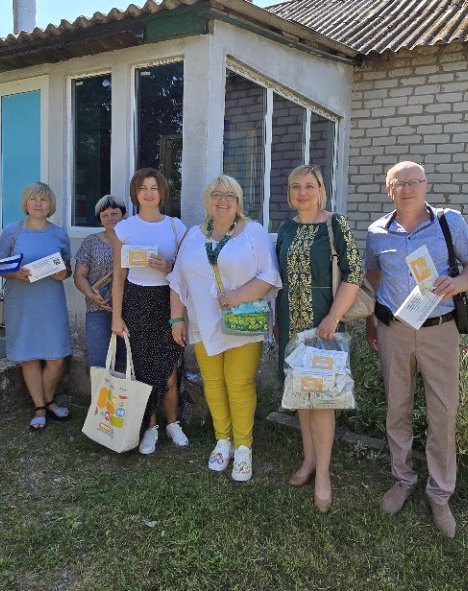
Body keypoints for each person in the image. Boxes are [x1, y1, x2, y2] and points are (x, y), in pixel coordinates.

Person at [365, 160, 468, 537]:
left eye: (413, 182)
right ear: (388, 189)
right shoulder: (377, 232)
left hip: (439, 331)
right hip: (394, 331)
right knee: (397, 408)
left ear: (425, 185)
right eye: (399, 183)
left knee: (442, 412)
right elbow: (373, 275)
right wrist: (371, 321)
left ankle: (439, 494)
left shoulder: (448, 221)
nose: (406, 189)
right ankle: (403, 479)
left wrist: (458, 284)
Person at [169, 175, 282, 482]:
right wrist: (176, 319)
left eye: (229, 195)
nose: (222, 200)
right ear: (207, 200)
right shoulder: (193, 235)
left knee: (239, 383)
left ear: (238, 201)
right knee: (213, 382)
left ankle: (243, 447)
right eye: (216, 194)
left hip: (242, 323)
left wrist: (235, 296)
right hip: (202, 324)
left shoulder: (253, 232)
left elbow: (269, 276)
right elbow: (177, 281)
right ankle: (223, 440)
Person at [276, 164, 363, 512]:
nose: (302, 192)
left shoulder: (335, 223)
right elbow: (278, 277)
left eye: (309, 186)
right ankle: (309, 460)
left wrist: (333, 317)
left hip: (324, 324)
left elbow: (353, 274)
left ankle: (323, 474)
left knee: (323, 398)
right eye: (295, 186)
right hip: (291, 324)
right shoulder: (285, 228)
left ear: (321, 190)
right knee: (302, 394)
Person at [111, 168, 188, 455]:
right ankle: (150, 427)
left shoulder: (176, 227)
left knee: (169, 369)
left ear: (162, 192)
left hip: (168, 301)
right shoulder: (125, 228)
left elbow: (185, 271)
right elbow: (119, 277)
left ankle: (173, 423)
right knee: (143, 370)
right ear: (135, 193)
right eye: (143, 188)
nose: (148, 193)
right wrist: (116, 316)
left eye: (154, 188)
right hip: (136, 302)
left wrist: (168, 267)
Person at [0, 182, 72, 430]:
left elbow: (67, 266)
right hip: (21, 302)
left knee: (57, 357)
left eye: (43, 200)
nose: (38, 204)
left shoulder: (59, 234)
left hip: (51, 301)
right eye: (33, 199)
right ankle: (41, 406)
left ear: (51, 205)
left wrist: (64, 273)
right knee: (28, 356)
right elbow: (1, 266)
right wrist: (14, 274)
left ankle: (48, 399)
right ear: (26, 203)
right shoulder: (12, 232)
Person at [74, 195, 127, 368]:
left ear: (123, 215)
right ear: (100, 219)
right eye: (105, 215)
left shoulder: (133, 240)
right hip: (98, 310)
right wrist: (91, 295)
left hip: (129, 310)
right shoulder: (91, 242)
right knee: (99, 364)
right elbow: (79, 276)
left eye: (114, 213)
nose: (110, 218)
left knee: (126, 362)